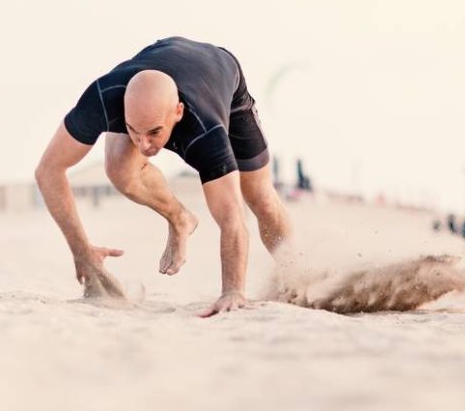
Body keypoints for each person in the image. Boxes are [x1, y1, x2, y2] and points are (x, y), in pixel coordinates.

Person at [34, 36, 292, 317]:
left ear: (177, 112)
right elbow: (48, 171)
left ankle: (296, 273)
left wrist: (233, 291)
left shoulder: (206, 131)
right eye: (133, 131)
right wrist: (82, 251)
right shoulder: (102, 99)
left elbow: (232, 218)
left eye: (154, 133)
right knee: (119, 168)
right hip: (157, 64)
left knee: (260, 197)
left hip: (221, 75)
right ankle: (179, 218)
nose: (144, 145)